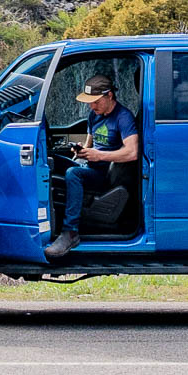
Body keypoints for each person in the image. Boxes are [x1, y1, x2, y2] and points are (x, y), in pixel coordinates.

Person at [44, 75, 139, 260]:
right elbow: (89, 144)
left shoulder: (124, 118)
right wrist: (81, 151)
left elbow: (132, 152)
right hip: (91, 165)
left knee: (73, 173)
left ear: (109, 96)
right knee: (52, 161)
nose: (92, 106)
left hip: (106, 174)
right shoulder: (94, 116)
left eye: (95, 102)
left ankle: (70, 232)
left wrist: (99, 155)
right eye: (89, 103)